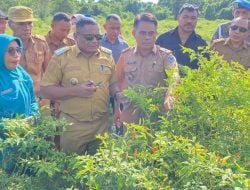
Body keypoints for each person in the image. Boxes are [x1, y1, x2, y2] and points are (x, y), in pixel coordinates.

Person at [40, 17, 121, 154]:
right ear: (76, 36)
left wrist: (118, 94)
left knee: (99, 169)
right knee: (71, 170)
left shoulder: (107, 56)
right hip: (73, 126)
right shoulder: (62, 57)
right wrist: (75, 90)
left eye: (98, 37)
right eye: (89, 37)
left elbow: (112, 83)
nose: (95, 41)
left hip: (101, 124)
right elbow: (45, 91)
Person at [115, 13, 179, 124]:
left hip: (156, 117)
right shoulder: (125, 56)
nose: (147, 37)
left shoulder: (165, 56)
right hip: (130, 117)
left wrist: (170, 94)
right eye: (143, 33)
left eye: (151, 33)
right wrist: (119, 104)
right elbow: (117, 80)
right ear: (134, 33)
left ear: (156, 34)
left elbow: (174, 77)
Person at [7, 6, 50, 101]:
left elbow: (50, 73)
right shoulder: (4, 46)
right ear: (10, 24)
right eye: (21, 24)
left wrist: (54, 99)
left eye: (29, 23)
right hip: (14, 100)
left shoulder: (41, 43)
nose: (26, 27)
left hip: (40, 99)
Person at [0, 34, 38, 129]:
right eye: (10, 51)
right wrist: (14, 125)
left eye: (18, 50)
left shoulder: (22, 74)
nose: (16, 55)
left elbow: (33, 101)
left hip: (25, 136)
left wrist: (33, 116)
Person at [156, 3, 207, 69]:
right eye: (185, 17)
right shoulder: (163, 39)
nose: (189, 21)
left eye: (193, 18)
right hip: (167, 79)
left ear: (197, 20)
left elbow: (206, 69)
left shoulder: (202, 44)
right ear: (178, 18)